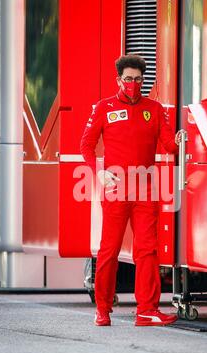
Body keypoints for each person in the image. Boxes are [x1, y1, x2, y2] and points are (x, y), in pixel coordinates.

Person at [80, 55, 181, 327]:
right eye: (128, 79)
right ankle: (102, 309)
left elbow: (169, 146)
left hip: (146, 190)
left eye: (138, 80)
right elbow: (86, 145)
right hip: (115, 189)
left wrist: (183, 140)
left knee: (148, 251)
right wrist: (98, 171)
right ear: (118, 80)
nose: (133, 84)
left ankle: (147, 310)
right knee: (108, 251)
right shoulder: (104, 107)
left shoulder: (156, 109)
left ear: (143, 80)